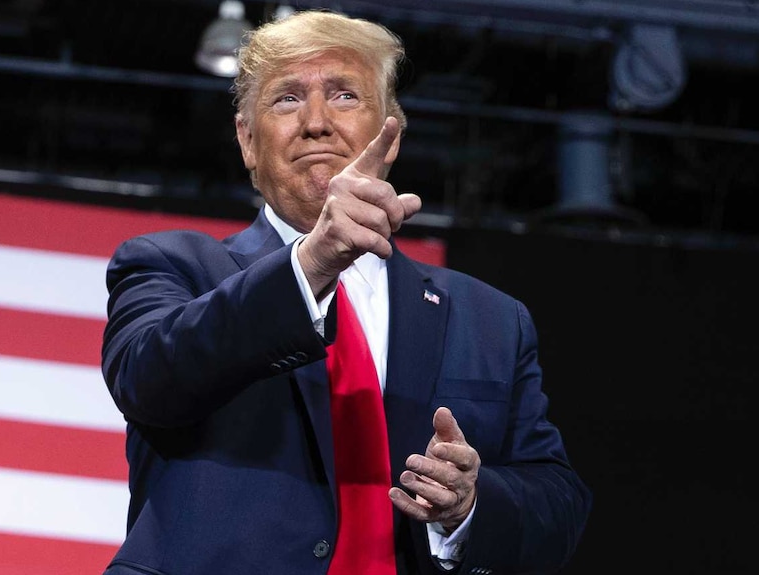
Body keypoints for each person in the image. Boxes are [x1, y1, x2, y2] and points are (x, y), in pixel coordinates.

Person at [100, 9, 591, 575]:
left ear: (392, 132)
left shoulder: (491, 320)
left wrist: (469, 505)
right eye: (286, 99)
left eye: (345, 96)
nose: (316, 123)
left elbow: (558, 501)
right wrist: (311, 264)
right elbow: (149, 379)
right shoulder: (171, 265)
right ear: (247, 141)